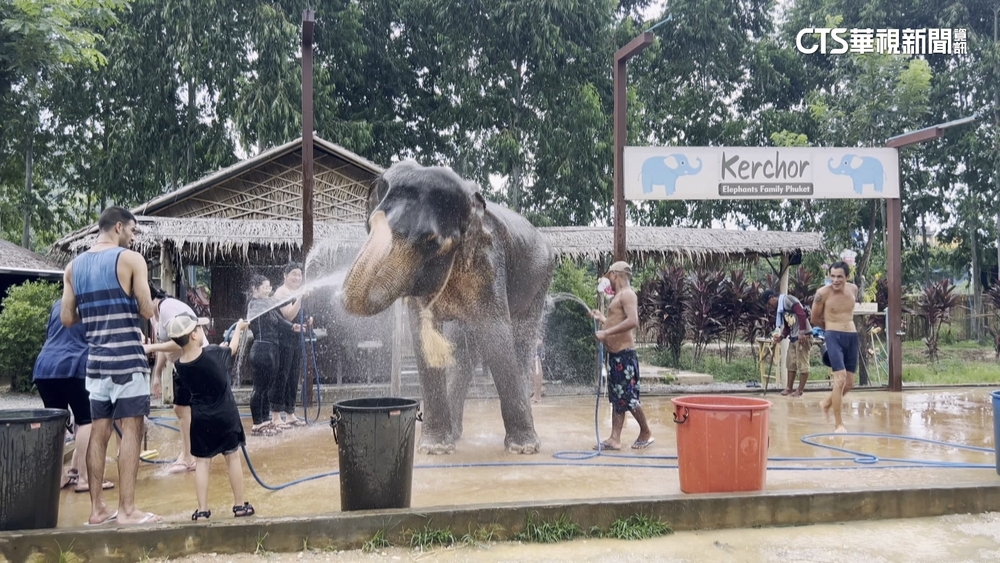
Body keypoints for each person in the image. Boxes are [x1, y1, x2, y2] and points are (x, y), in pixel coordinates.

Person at [60, 206, 161, 525]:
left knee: (98, 433)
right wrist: (140, 299)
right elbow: (146, 310)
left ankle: (97, 510)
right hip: (127, 360)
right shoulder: (130, 260)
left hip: (97, 364)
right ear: (119, 227)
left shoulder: (73, 267)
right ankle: (127, 511)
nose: (132, 237)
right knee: (131, 430)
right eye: (131, 231)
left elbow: (67, 318)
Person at [158, 313, 255, 520]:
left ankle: (202, 510)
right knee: (232, 458)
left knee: (202, 463)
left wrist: (218, 350)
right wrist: (238, 328)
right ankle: (239, 506)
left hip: (201, 419)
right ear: (193, 335)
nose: (202, 331)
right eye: (199, 329)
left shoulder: (180, 365)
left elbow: (204, 361)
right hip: (226, 416)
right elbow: (233, 348)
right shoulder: (213, 353)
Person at [33, 299, 115, 493]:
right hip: (74, 364)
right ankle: (85, 479)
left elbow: (52, 333)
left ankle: (59, 477)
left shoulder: (57, 304)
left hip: (45, 367)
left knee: (56, 422)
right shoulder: (94, 303)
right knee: (86, 420)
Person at [589, 261, 654, 450]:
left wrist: (606, 333)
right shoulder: (619, 296)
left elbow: (633, 321)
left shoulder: (627, 294)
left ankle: (646, 432)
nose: (608, 279)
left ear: (615, 274)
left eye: (609, 275)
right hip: (616, 356)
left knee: (628, 397)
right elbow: (618, 319)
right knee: (618, 398)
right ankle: (614, 438)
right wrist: (602, 318)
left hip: (625, 355)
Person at [149, 284, 202, 473]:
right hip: (182, 364)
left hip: (194, 362)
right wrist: (156, 375)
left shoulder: (167, 308)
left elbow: (181, 339)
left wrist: (150, 348)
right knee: (183, 409)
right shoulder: (156, 314)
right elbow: (165, 345)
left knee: (183, 409)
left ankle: (189, 456)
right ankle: (189, 455)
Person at [246, 275, 302, 436]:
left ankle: (266, 421)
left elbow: (281, 320)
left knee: (267, 387)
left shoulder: (269, 305)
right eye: (264, 287)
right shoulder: (254, 304)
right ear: (255, 289)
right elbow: (275, 304)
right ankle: (257, 424)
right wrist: (295, 297)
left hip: (272, 350)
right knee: (259, 388)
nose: (268, 290)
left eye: (269, 287)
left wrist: (294, 327)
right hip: (261, 350)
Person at [811, 261, 859, 433]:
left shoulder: (853, 289)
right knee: (839, 379)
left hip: (852, 335)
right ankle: (839, 424)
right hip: (833, 335)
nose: (835, 280)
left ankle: (826, 404)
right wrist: (830, 329)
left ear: (847, 277)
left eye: (839, 276)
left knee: (850, 383)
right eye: (832, 276)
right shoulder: (822, 294)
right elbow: (814, 318)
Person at [271, 262, 310, 428]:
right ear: (285, 276)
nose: (297, 277)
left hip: (296, 339)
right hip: (283, 339)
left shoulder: (295, 292)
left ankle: (290, 412)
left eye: (299, 275)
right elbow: (288, 315)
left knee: (294, 376)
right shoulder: (281, 292)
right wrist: (300, 298)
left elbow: (299, 314)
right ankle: (275, 415)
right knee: (282, 375)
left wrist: (308, 318)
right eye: (294, 274)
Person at [761, 289, 813, 397]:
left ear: (772, 297)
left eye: (768, 303)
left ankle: (800, 390)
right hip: (794, 337)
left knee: (802, 364)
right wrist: (781, 337)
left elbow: (802, 314)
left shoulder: (788, 300)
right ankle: (789, 388)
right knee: (791, 363)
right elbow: (788, 326)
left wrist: (802, 332)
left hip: (803, 336)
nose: (770, 306)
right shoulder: (782, 309)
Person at [531, 338, 545, 404]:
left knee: (536, 363)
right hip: (535, 338)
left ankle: (537, 396)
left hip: (536, 339)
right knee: (535, 364)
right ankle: (537, 393)